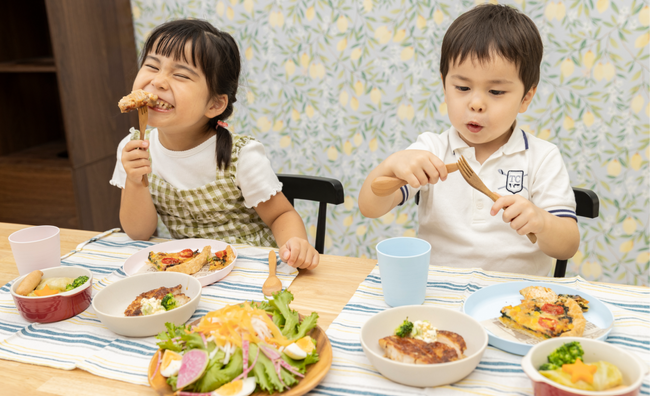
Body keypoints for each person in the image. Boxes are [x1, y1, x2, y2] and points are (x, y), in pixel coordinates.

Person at [358, 4, 579, 276]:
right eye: (462, 87)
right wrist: (391, 165)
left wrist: (542, 222)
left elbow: (568, 246)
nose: (476, 103)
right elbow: (370, 207)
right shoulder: (431, 149)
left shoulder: (542, 157)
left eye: (495, 91)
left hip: (514, 295)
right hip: (440, 292)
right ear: (444, 86)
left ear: (526, 98)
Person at [110, 19, 318, 269]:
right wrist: (135, 181)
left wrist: (295, 245)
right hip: (189, 269)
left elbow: (281, 214)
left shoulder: (242, 156)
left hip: (251, 269)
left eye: (180, 74)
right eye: (152, 66)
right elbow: (139, 233)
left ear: (215, 104)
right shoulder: (133, 148)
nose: (158, 81)